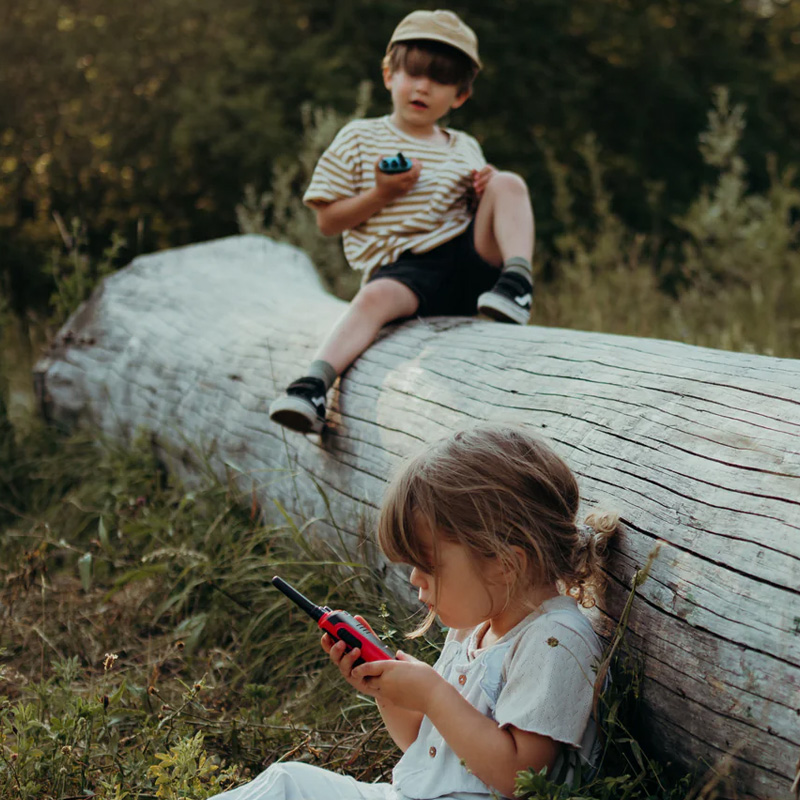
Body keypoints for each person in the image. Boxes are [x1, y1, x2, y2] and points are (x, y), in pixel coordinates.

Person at [210, 424, 618, 799]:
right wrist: (384, 691)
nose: (414, 579)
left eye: (428, 565)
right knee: (288, 784)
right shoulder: (472, 631)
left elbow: (520, 778)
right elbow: (428, 749)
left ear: (503, 563)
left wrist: (433, 694)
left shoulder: (554, 640)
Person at [269, 10, 537, 434]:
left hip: (468, 260)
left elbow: (480, 209)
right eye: (412, 73)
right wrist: (381, 194)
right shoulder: (360, 137)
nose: (423, 86)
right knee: (372, 301)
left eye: (441, 79)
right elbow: (326, 221)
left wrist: (483, 189)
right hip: (405, 270)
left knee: (508, 183)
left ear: (460, 96)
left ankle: (517, 284)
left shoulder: (465, 146)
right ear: (389, 75)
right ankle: (313, 386)